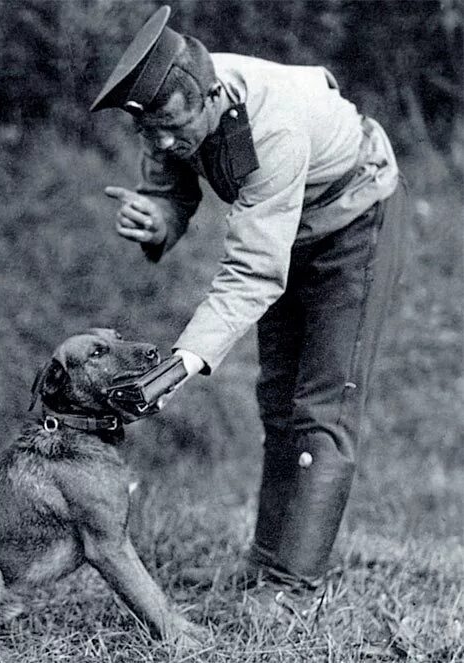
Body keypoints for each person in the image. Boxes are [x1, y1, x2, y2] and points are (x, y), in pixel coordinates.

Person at [90, 6, 408, 592]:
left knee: (322, 408)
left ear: (211, 97)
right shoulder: (169, 103)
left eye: (171, 127)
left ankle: (291, 588)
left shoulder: (273, 125)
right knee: (278, 400)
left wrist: (177, 366)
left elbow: (253, 272)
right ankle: (264, 565)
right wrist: (157, 219)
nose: (162, 141)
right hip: (292, 226)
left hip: (356, 223)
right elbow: (170, 187)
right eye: (148, 131)